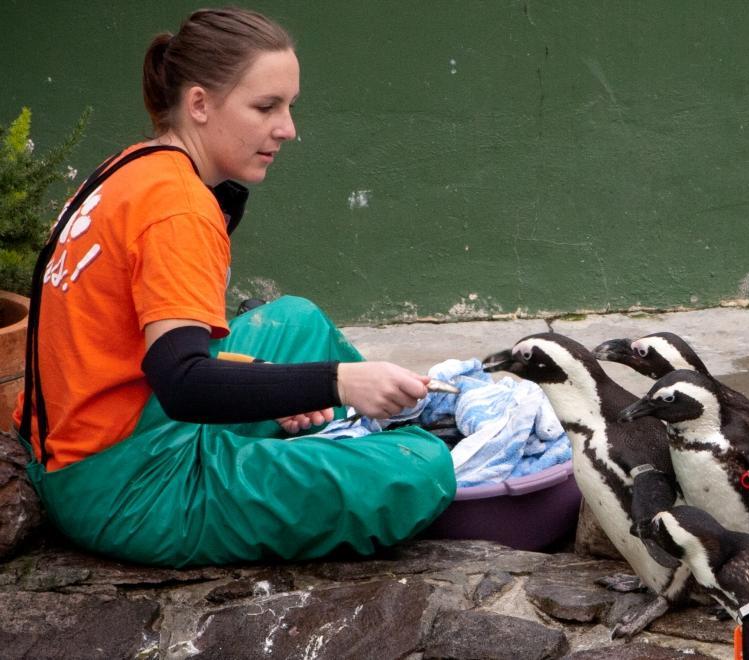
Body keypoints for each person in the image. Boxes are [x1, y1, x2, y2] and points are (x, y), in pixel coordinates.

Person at [13, 7, 455, 567]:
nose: (288, 128)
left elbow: (161, 359)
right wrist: (338, 383)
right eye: (266, 107)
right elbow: (183, 382)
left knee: (295, 323)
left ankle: (327, 439)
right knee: (423, 466)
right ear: (199, 104)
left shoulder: (135, 165)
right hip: (130, 484)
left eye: (289, 107)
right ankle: (362, 451)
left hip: (93, 432)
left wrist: (292, 386)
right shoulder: (179, 209)